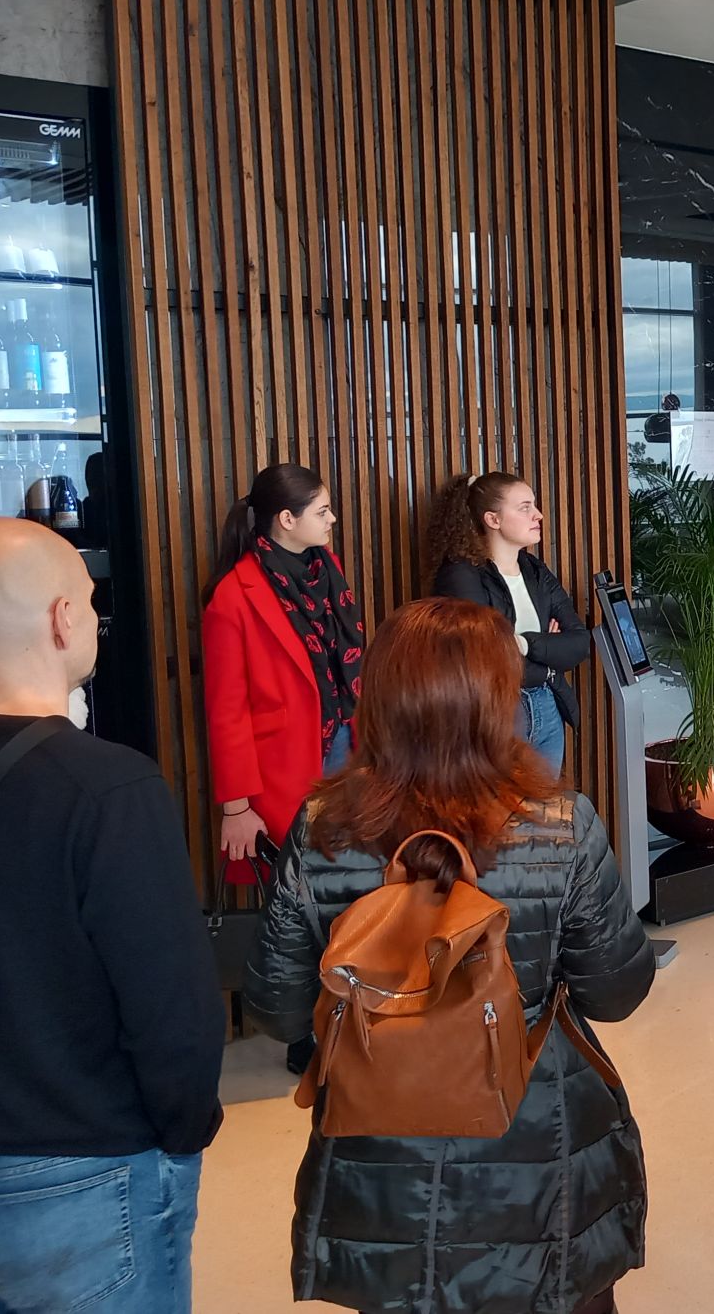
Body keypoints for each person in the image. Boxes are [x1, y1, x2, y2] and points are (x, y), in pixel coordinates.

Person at [243, 597, 654, 1314]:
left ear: (380, 699)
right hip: (538, 1145)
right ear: (498, 703)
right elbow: (615, 993)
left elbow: (277, 1010)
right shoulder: (562, 827)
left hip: (378, 1161)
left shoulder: (320, 831)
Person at [0, 520, 224, 1313]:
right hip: (82, 1165)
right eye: (91, 603)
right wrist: (182, 1134)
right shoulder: (107, 788)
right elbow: (173, 1008)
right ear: (63, 620)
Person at [202, 463, 366, 876]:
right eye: (322, 511)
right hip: (286, 762)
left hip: (349, 740)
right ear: (287, 519)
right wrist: (236, 807)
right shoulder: (233, 596)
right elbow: (227, 710)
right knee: (301, 884)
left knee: (354, 877)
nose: (332, 519)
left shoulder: (327, 568)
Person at [429, 471, 588, 776]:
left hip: (547, 705)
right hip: (496, 712)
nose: (538, 515)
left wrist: (523, 643)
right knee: (499, 806)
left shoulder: (534, 570)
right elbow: (485, 655)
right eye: (525, 507)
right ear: (493, 519)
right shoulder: (461, 574)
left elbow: (579, 643)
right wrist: (548, 652)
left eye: (534, 506)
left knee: (543, 806)